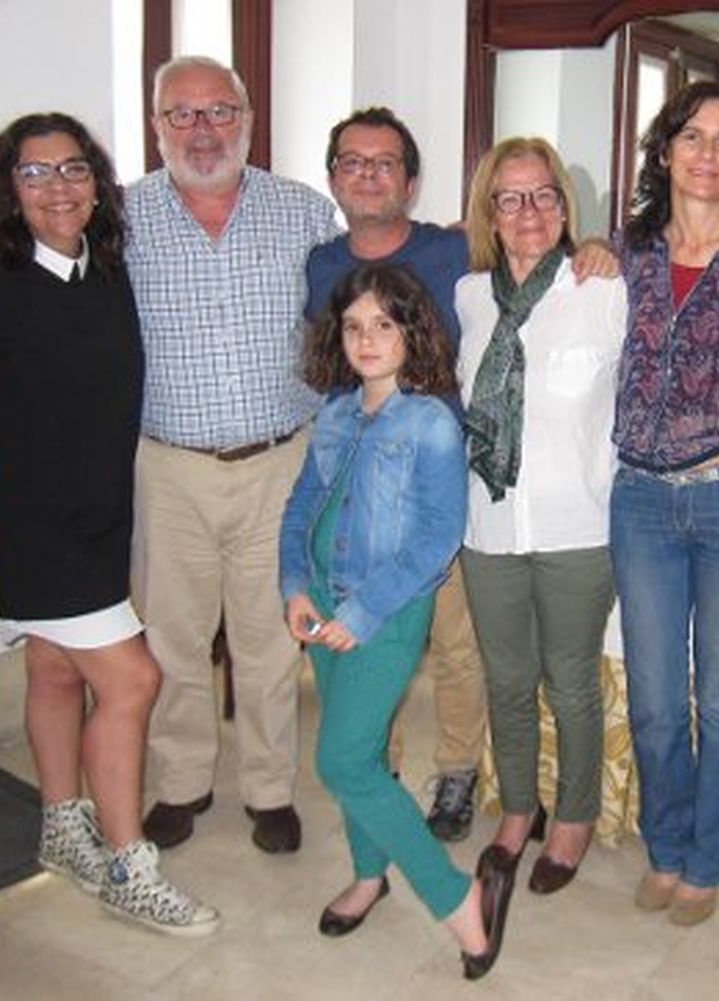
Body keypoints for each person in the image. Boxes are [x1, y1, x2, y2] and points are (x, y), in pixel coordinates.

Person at [0, 113, 216, 935]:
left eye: (73, 169)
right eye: (35, 173)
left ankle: (63, 828)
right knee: (132, 680)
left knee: (56, 671)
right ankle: (127, 862)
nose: (58, 187)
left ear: (97, 184)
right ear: (9, 190)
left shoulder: (104, 271)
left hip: (103, 514)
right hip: (34, 526)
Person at [126, 55, 338, 853]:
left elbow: (356, 305)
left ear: (247, 119)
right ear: (157, 127)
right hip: (168, 466)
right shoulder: (121, 218)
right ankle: (182, 780)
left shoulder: (303, 211)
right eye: (181, 114)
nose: (203, 130)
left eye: (219, 111)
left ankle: (268, 788)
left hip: (280, 461)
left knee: (271, 637)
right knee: (171, 635)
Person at [279, 263, 513, 979]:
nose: (367, 339)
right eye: (353, 326)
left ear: (413, 332)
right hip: (323, 605)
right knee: (366, 752)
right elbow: (303, 505)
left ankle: (457, 897)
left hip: (383, 612)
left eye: (384, 324)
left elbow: (438, 537)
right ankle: (367, 873)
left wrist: (364, 610)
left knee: (341, 760)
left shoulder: (431, 423)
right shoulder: (336, 415)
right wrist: (295, 584)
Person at [612, 80, 719, 928]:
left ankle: (707, 858)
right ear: (665, 150)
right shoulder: (629, 249)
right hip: (640, 498)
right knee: (652, 697)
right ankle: (665, 845)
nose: (707, 155)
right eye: (691, 137)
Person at [304, 106, 486, 841]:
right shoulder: (321, 265)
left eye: (385, 163)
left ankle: (458, 770)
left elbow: (541, 249)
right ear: (333, 178)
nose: (369, 174)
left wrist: (595, 247)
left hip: (439, 476)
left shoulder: (456, 249)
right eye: (353, 161)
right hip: (358, 483)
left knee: (454, 639)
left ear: (410, 182)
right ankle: (374, 768)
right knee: (366, 630)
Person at [456, 137, 627, 893]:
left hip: (577, 528)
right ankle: (519, 807)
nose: (529, 211)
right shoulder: (467, 296)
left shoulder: (604, 291)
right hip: (489, 528)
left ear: (564, 205)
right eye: (511, 197)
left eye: (544, 195)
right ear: (489, 212)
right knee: (507, 680)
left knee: (570, 682)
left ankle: (574, 816)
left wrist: (608, 247)